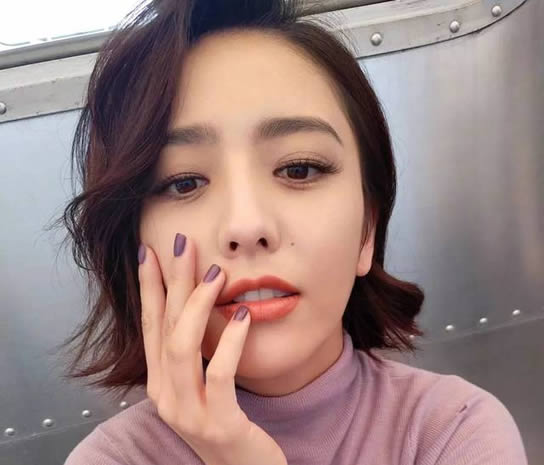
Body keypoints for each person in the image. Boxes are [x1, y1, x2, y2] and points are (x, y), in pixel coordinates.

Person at [56, 0, 528, 463]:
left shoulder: (455, 429)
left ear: (367, 228)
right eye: (184, 183)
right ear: (135, 243)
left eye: (299, 169)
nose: (247, 226)